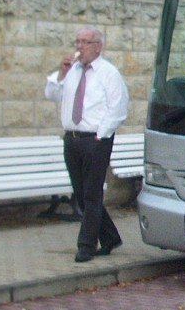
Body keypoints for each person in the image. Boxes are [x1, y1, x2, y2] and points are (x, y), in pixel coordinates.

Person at [44, 26, 130, 262]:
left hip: (95, 139)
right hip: (72, 139)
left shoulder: (108, 73)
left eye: (85, 42)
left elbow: (118, 108)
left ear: (98, 46)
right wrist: (61, 75)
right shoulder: (72, 71)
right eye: (77, 41)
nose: (79, 47)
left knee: (92, 194)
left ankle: (86, 245)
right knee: (81, 194)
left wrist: (101, 135)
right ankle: (110, 236)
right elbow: (51, 95)